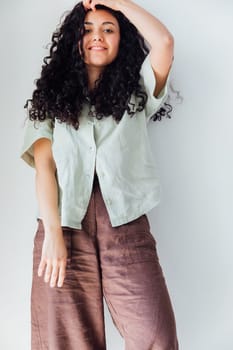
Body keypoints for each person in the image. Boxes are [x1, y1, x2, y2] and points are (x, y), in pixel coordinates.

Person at [21, 0, 178, 349]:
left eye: (109, 29)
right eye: (88, 29)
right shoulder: (49, 99)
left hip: (126, 226)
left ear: (122, 40)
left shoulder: (137, 93)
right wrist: (52, 233)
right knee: (66, 341)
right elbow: (44, 167)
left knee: (155, 337)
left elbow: (164, 43)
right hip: (62, 226)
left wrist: (116, 2)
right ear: (74, 40)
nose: (98, 37)